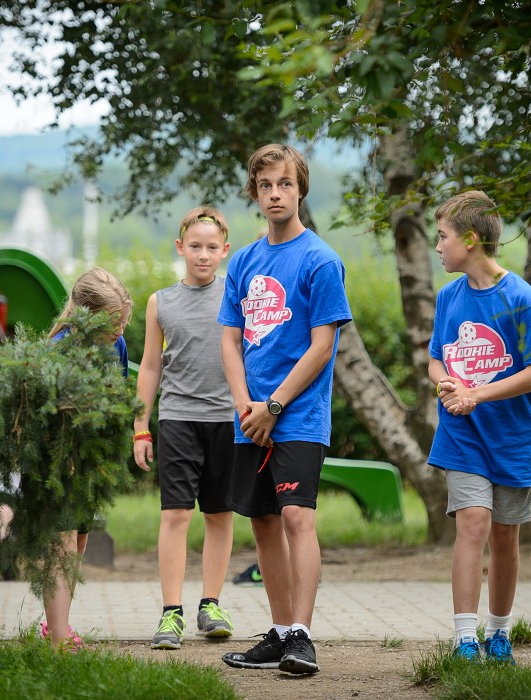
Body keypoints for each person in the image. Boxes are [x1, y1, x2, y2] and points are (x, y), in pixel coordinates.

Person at [217, 143, 352, 675]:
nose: (275, 194)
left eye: (285, 184)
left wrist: (274, 405)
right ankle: (277, 632)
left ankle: (302, 635)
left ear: (300, 190)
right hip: (249, 414)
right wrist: (245, 405)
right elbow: (230, 341)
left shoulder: (320, 260)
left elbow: (321, 346)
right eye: (266, 185)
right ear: (255, 192)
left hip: (298, 413)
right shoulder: (244, 261)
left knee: (297, 516)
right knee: (264, 522)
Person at [427, 190, 531, 664]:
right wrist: (447, 385)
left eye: (442, 236)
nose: (437, 246)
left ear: (470, 239)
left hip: (509, 438)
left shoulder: (518, 297)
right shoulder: (448, 297)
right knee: (473, 523)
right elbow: (436, 360)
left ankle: (499, 633)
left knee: (505, 535)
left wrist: (476, 394)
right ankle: (465, 637)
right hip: (462, 437)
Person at [133, 206, 236, 650]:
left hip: (227, 420)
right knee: (175, 514)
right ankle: (170, 613)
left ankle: (210, 605)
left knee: (218, 514)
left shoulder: (238, 296)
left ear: (225, 251)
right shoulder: (161, 301)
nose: (203, 255)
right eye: (195, 246)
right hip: (177, 419)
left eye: (212, 247)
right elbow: (151, 367)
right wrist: (141, 425)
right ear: (180, 247)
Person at [44, 266, 133, 650]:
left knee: (78, 540)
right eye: (114, 322)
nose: (121, 329)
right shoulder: (61, 349)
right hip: (61, 462)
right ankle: (59, 636)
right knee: (61, 542)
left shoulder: (117, 344)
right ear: (84, 316)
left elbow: (120, 393)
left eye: (125, 320)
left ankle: (57, 624)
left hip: (92, 461)